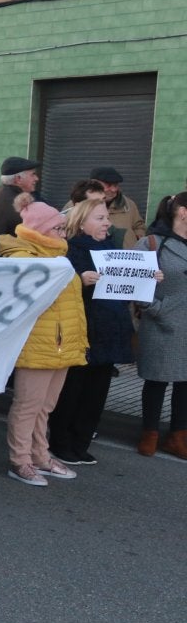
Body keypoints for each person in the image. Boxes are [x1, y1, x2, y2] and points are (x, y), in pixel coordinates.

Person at [48, 198, 147, 465]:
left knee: (97, 391)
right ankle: (61, 442)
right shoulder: (72, 250)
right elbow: (57, 288)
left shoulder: (110, 248)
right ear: (81, 222)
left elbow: (126, 283)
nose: (108, 223)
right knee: (73, 389)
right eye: (101, 218)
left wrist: (148, 277)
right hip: (84, 329)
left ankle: (80, 441)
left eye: (106, 218)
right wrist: (79, 280)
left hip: (109, 329)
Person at [0, 193, 88, 486]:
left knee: (45, 406)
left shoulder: (56, 255)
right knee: (27, 405)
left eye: (63, 229)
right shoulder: (24, 257)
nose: (63, 234)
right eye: (57, 229)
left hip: (60, 343)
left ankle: (40, 455)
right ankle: (20, 460)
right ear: (39, 230)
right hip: (36, 343)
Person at [132, 191, 187, 458]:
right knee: (156, 380)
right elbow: (133, 283)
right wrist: (155, 308)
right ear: (183, 212)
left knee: (186, 383)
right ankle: (150, 433)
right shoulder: (152, 243)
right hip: (161, 323)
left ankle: (178, 436)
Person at [0, 157, 40, 257]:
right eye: (33, 174)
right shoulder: (2, 203)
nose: (36, 179)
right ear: (18, 179)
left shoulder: (10, 197)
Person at [91, 166, 147, 246]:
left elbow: (139, 225)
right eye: (108, 185)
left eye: (116, 185)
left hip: (126, 255)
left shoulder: (129, 204)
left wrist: (138, 237)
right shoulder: (78, 204)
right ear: (94, 184)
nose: (113, 190)